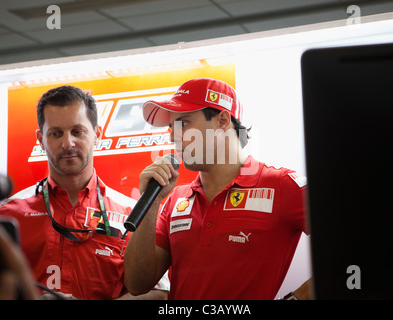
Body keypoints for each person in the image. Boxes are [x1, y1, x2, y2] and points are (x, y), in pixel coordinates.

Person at [124, 78, 311, 300]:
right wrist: (151, 202)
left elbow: (355, 243)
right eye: (170, 127)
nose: (172, 136)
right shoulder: (175, 200)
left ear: (222, 120)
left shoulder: (283, 185)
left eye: (183, 123)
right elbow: (137, 283)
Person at [0, 85, 169, 300]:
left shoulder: (134, 214)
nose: (68, 144)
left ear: (97, 134)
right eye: (56, 133)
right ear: (40, 139)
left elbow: (158, 292)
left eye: (77, 131)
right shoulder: (7, 214)